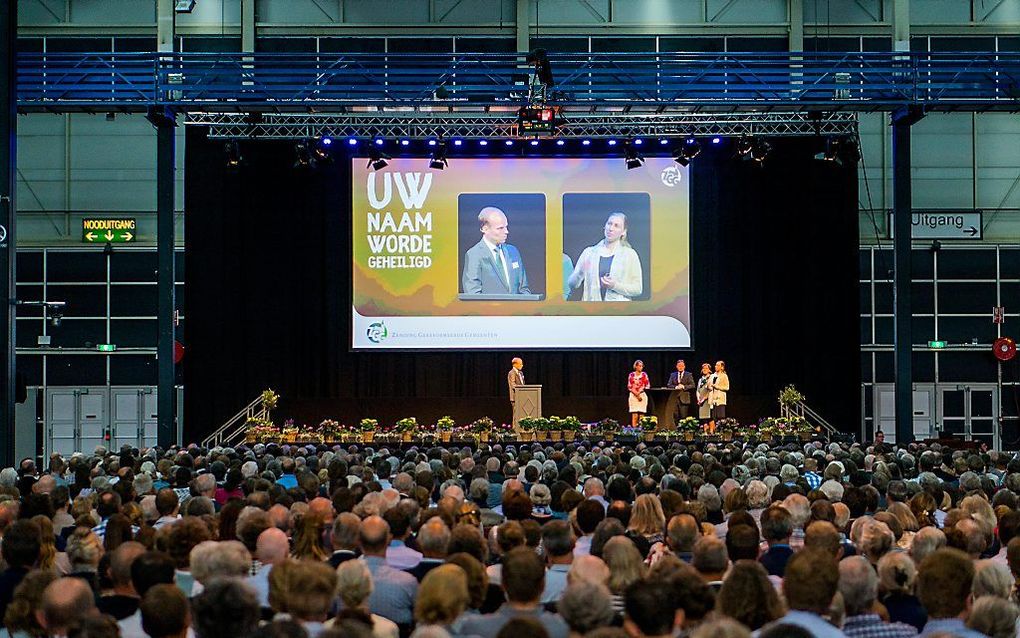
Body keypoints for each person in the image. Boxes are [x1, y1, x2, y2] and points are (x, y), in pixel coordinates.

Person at [567, 212, 642, 302]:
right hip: (592, 311)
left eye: (616, 226)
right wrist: (579, 273)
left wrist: (615, 286)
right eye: (609, 224)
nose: (610, 228)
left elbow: (638, 289)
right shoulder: (589, 253)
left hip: (619, 312)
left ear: (623, 232)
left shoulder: (630, 254)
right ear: (605, 226)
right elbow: (572, 285)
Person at [462, 207, 531, 295]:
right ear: (484, 229)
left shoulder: (513, 252)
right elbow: (472, 294)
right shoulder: (474, 254)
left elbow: (524, 289)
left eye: (506, 227)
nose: (506, 231)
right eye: (500, 228)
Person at [707, 361, 730, 434]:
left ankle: (721, 433)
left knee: (721, 417)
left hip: (720, 399)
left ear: (722, 367)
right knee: (713, 417)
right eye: (715, 365)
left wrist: (717, 387)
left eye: (717, 365)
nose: (715, 366)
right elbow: (708, 386)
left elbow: (727, 387)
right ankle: (714, 433)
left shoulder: (724, 376)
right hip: (712, 399)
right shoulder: (712, 375)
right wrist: (709, 385)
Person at [628, 360, 650, 428]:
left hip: (642, 395)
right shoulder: (631, 375)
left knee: (641, 415)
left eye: (642, 366)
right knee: (634, 415)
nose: (641, 367)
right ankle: (634, 431)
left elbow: (647, 385)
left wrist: (640, 392)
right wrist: (636, 395)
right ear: (636, 366)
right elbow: (629, 386)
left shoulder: (644, 375)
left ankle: (641, 431)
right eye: (640, 366)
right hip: (633, 396)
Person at [695, 363, 713, 429]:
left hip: (708, 400)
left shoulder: (711, 378)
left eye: (706, 368)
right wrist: (698, 399)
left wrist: (704, 399)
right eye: (703, 368)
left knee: (710, 417)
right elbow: (698, 390)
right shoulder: (700, 379)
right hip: (701, 401)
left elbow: (711, 390)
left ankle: (711, 433)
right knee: (703, 418)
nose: (704, 370)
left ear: (709, 370)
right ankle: (705, 434)